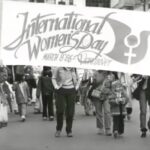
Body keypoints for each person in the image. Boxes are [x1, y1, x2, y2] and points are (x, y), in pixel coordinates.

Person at [52, 67, 80, 137]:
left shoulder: (74, 69)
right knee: (60, 111)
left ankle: (69, 130)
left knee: (70, 112)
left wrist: (76, 87)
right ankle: (58, 129)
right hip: (61, 90)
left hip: (71, 91)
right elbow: (53, 78)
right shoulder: (59, 68)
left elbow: (78, 79)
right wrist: (56, 86)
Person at [88, 70, 112, 136]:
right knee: (98, 112)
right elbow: (93, 83)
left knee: (107, 111)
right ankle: (100, 127)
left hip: (107, 95)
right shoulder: (96, 73)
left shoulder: (110, 73)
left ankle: (108, 128)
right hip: (97, 94)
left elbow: (112, 84)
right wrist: (94, 77)